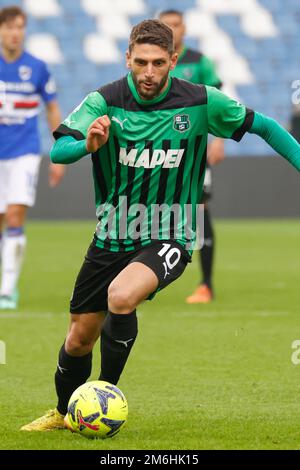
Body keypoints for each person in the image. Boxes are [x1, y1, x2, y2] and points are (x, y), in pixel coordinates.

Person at [21, 19, 300, 432]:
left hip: (171, 230)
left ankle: (104, 395)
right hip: (112, 233)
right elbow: (60, 150)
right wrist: (88, 144)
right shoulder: (104, 100)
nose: (148, 73)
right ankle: (64, 413)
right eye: (140, 63)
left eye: (157, 63)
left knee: (122, 295)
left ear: (173, 60)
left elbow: (266, 127)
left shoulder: (202, 101)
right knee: (79, 339)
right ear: (127, 59)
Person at [0, 6, 65, 310]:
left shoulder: (37, 68)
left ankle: (8, 289)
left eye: (20, 27)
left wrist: (59, 153)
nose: (15, 33)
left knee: (15, 215)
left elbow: (52, 108)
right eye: (9, 27)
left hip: (24, 152)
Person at [159, 9, 224, 304]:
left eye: (176, 25)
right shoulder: (152, 63)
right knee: (150, 210)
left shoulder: (198, 62)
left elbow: (220, 103)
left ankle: (206, 284)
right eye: (166, 25)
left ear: (184, 28)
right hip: (158, 152)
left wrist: (220, 139)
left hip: (194, 152)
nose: (172, 30)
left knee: (200, 209)